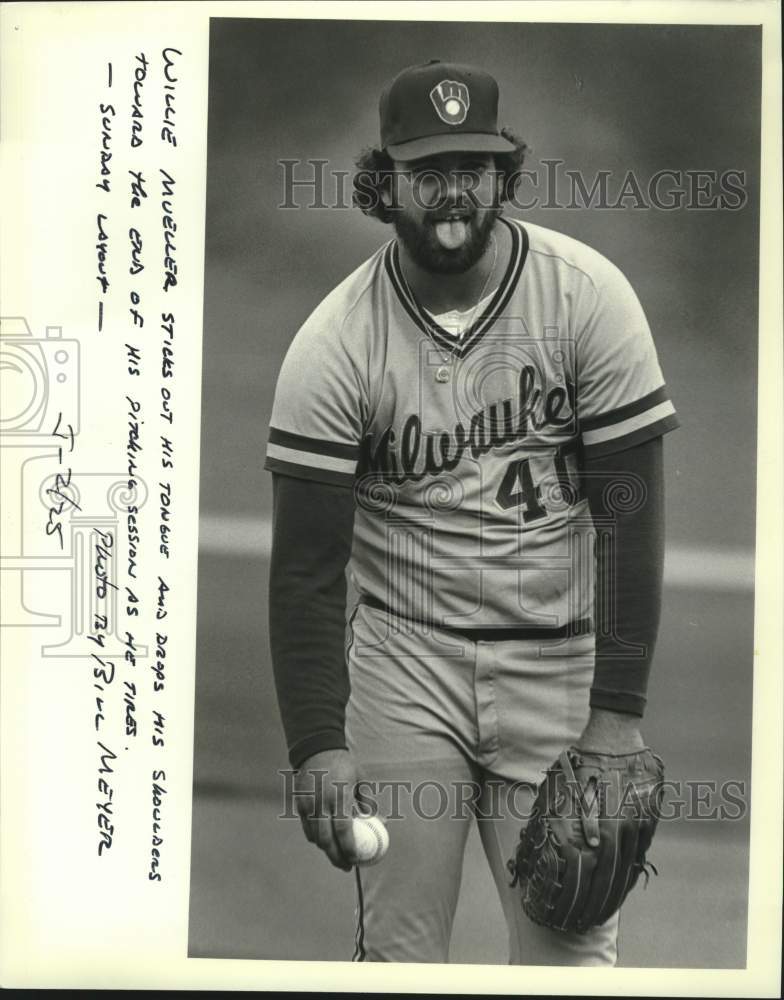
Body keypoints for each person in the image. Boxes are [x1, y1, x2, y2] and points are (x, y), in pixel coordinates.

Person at [265, 60, 679, 965]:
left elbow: (631, 516)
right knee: (401, 957)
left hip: (558, 663)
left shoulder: (587, 298)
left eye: (474, 167)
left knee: (568, 960)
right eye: (428, 170)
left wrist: (617, 717)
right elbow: (304, 570)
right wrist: (316, 745)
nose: (453, 190)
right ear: (387, 184)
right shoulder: (334, 346)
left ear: (503, 177)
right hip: (404, 670)